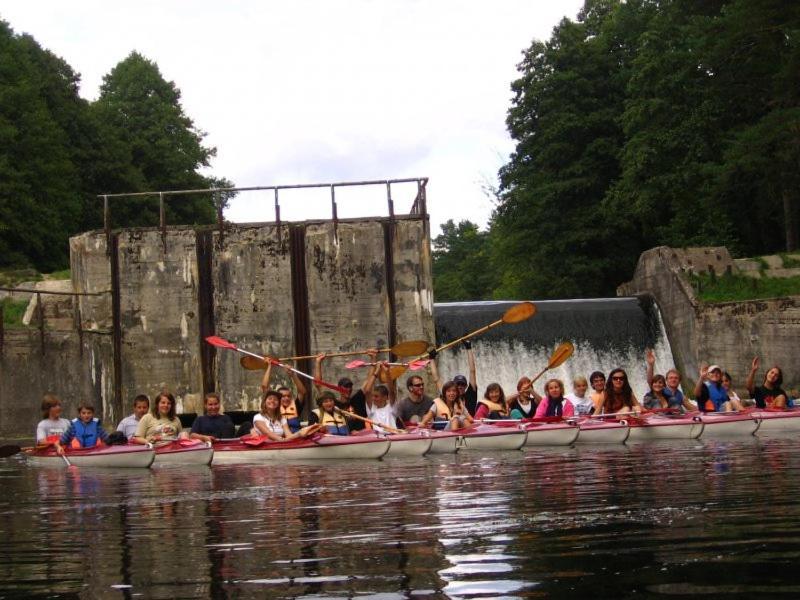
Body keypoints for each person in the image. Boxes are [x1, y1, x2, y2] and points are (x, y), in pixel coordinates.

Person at [315, 350, 380, 432]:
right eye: (345, 387)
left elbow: (368, 380)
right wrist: (318, 362)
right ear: (339, 388)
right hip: (345, 438)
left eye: (350, 386)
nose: (348, 389)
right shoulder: (334, 404)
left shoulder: (356, 399)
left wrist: (373, 359)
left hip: (362, 437)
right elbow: (318, 385)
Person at [260, 361, 307, 433]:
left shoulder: (296, 405)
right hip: (279, 435)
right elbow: (264, 387)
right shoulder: (273, 406)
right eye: (283, 396)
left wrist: (293, 375)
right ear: (278, 398)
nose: (287, 398)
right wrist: (269, 366)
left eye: (288, 396)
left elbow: (302, 392)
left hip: (296, 435)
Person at [253, 390, 318, 441]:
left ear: (278, 404)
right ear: (264, 402)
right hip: (265, 447)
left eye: (275, 399)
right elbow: (269, 434)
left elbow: (289, 435)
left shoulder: (282, 418)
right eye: (270, 398)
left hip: (280, 446)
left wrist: (303, 432)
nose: (272, 401)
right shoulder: (258, 417)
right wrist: (299, 434)